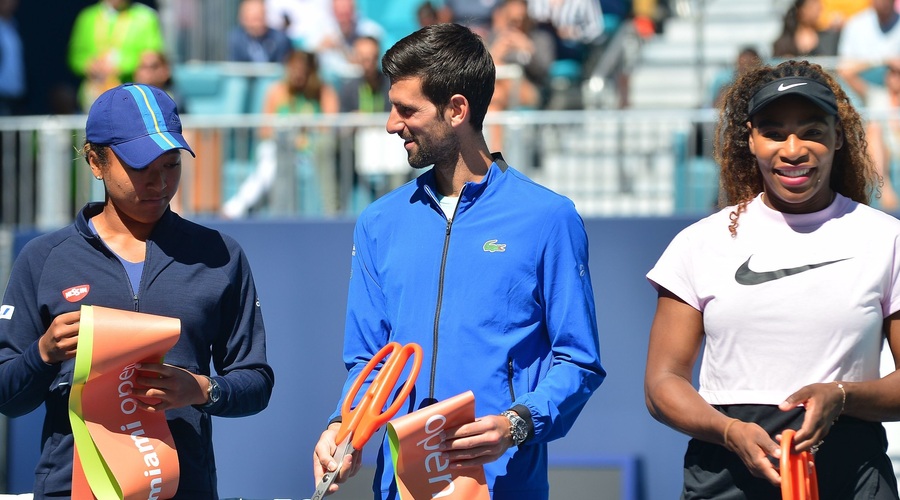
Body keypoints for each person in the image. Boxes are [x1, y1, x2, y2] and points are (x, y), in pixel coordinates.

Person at [311, 23, 605, 499]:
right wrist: (343, 428)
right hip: (399, 488)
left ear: (456, 110)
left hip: (504, 485)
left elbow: (579, 361)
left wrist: (515, 425)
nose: (391, 123)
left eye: (406, 109)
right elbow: (368, 363)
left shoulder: (549, 218)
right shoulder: (377, 222)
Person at [0, 83, 275, 498]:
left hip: (185, 489)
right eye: (140, 166)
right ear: (96, 162)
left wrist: (201, 389)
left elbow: (255, 382)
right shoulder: (43, 259)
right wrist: (43, 353)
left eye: (170, 165)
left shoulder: (220, 254)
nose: (159, 182)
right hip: (68, 490)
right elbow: (8, 396)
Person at [644, 59, 900, 499]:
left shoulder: (887, 238)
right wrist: (728, 431)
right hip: (726, 476)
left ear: (838, 137)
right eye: (774, 132)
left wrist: (841, 396)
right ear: (751, 140)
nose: (793, 149)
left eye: (813, 131)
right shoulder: (700, 242)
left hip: (852, 474)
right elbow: (662, 382)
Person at [67, 0, 165, 112]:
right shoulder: (87, 17)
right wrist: (90, 65)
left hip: (131, 94)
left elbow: (153, 58)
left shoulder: (146, 17)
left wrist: (119, 65)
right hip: (93, 94)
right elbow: (75, 56)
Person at [836, 0, 900, 103]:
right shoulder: (855, 24)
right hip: (862, 96)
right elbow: (844, 70)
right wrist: (883, 61)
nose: (884, 2)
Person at [228, 0, 293, 64]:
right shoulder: (237, 39)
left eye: (261, 17)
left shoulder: (280, 40)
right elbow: (235, 68)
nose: (258, 24)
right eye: (254, 19)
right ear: (243, 19)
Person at [772, 0, 841, 59]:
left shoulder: (829, 38)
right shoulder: (784, 43)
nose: (818, 8)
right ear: (801, 9)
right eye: (813, 4)